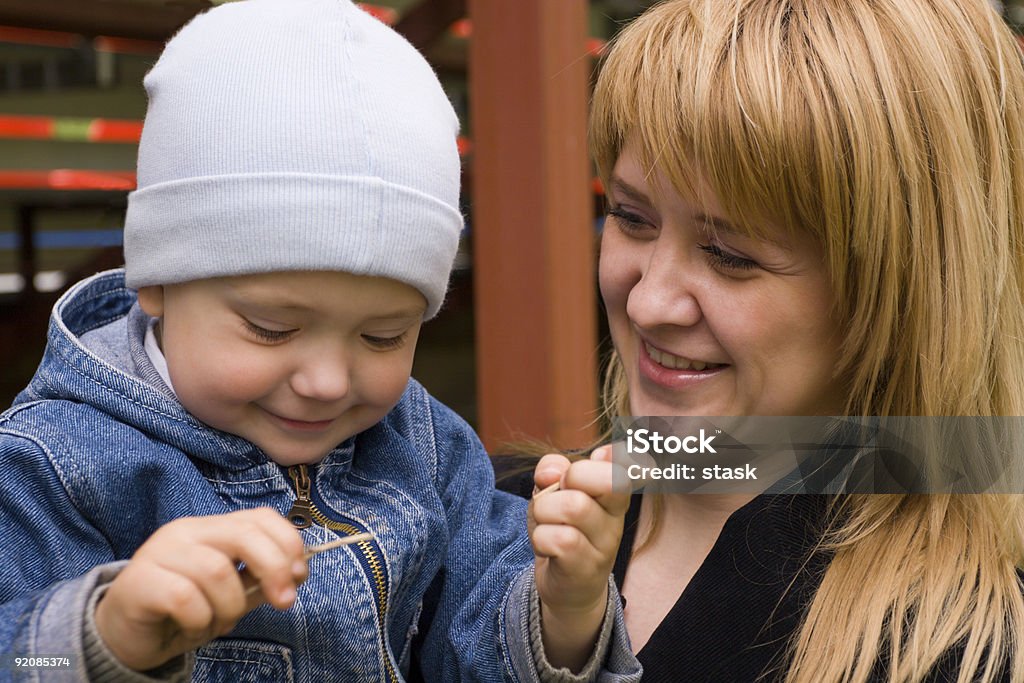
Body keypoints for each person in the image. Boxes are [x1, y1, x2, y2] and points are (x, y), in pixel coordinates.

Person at [0, 1, 640, 681]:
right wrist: (104, 634)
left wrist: (563, 611)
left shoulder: (425, 447)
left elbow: (472, 646)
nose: (329, 380)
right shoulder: (52, 464)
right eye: (271, 328)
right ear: (157, 280)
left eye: (383, 335)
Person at [525, 0, 1024, 680]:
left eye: (729, 254)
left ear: (901, 291)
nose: (648, 300)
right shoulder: (494, 518)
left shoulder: (962, 649)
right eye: (629, 217)